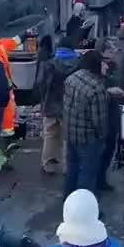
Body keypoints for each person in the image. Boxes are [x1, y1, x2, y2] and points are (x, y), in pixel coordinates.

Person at [63, 51, 108, 198]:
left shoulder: (72, 78)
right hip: (88, 139)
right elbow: (99, 122)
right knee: (87, 175)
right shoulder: (97, 88)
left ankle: (68, 201)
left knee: (72, 171)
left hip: (70, 133)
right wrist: (103, 137)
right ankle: (85, 209)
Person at [37, 37, 80, 175]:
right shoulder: (78, 64)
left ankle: (48, 163)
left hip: (50, 104)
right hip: (70, 106)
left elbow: (41, 85)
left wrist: (43, 100)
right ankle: (68, 166)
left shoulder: (49, 64)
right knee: (68, 138)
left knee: (50, 135)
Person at [0, 22, 34, 144]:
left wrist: (26, 34)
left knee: (8, 119)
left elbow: (15, 41)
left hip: (5, 89)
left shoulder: (1, 45)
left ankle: (7, 144)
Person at [96, 39, 124, 194]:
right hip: (102, 115)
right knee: (100, 152)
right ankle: (97, 180)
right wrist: (110, 91)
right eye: (111, 51)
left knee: (110, 149)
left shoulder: (115, 67)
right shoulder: (96, 67)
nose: (114, 54)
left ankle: (102, 179)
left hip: (113, 112)